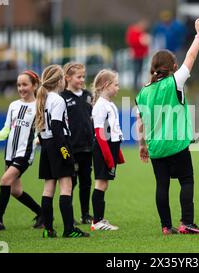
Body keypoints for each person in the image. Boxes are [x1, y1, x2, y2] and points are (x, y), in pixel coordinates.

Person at [136, 18, 199, 235]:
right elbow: (191, 56)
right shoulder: (175, 81)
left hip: (156, 146)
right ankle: (187, 223)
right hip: (176, 143)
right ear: (173, 67)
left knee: (162, 185)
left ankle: (166, 226)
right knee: (186, 180)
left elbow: (141, 122)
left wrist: (142, 145)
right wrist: (198, 35)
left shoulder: (143, 92)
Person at [0, 70, 43, 231]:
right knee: (15, 191)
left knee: (4, 181)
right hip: (9, 153)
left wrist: (38, 140)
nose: (21, 88)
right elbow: (6, 130)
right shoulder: (13, 106)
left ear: (34, 85)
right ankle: (42, 213)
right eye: (18, 85)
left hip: (24, 154)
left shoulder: (39, 106)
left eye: (25, 84)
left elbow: (41, 131)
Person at [36, 64, 89, 238]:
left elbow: (41, 129)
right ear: (59, 81)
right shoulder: (58, 100)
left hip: (46, 146)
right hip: (59, 145)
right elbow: (58, 130)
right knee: (66, 187)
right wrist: (66, 155)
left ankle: (48, 229)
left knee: (48, 188)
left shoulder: (43, 99)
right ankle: (69, 229)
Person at [90, 69, 125, 231]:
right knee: (101, 183)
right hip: (103, 150)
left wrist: (118, 154)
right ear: (106, 85)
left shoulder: (109, 104)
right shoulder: (100, 107)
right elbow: (100, 134)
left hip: (110, 148)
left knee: (104, 184)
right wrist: (109, 157)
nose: (118, 88)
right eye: (116, 85)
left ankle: (99, 219)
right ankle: (97, 221)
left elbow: (114, 130)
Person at [61, 63, 94, 225]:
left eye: (83, 76)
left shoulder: (88, 96)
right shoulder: (62, 98)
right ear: (67, 78)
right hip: (71, 148)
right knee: (70, 183)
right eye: (78, 77)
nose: (82, 79)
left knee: (86, 182)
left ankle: (85, 214)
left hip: (87, 147)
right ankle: (69, 216)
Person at [125, 19, 150, 91]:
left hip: (142, 54)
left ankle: (137, 85)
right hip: (136, 54)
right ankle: (135, 86)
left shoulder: (142, 32)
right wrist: (141, 41)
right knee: (136, 70)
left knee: (140, 71)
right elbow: (132, 42)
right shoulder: (133, 31)